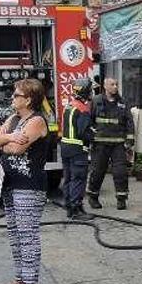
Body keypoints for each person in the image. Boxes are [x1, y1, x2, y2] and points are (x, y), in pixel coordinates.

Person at [0, 78, 50, 284]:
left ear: (29, 99)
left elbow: (15, 149)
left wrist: (6, 142)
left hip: (29, 185)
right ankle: (20, 279)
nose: (12, 98)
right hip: (10, 183)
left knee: (27, 235)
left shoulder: (36, 121)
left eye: (16, 95)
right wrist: (8, 137)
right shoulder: (14, 119)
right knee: (15, 234)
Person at [86, 77, 135, 210]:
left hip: (118, 144)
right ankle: (93, 196)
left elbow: (129, 122)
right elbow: (88, 121)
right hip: (100, 144)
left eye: (116, 84)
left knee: (121, 172)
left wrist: (129, 141)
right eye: (112, 84)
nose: (115, 87)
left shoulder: (122, 103)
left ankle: (121, 198)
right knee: (97, 172)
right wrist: (90, 137)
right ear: (105, 86)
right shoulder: (96, 101)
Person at [58, 78, 94, 219]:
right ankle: (76, 210)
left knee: (68, 178)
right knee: (78, 179)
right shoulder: (83, 109)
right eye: (90, 90)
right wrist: (93, 135)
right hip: (77, 149)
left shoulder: (69, 106)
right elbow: (83, 132)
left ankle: (69, 206)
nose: (92, 93)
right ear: (85, 92)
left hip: (65, 147)